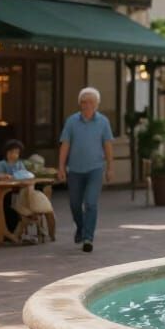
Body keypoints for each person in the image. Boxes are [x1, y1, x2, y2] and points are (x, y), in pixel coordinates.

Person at [58, 88, 114, 252]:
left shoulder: (103, 122)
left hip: (95, 169)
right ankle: (81, 228)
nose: (86, 105)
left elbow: (108, 146)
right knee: (75, 204)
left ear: (96, 104)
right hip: (74, 169)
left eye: (90, 102)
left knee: (90, 203)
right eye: (83, 102)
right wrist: (61, 167)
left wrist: (110, 167)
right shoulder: (72, 121)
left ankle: (88, 238)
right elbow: (65, 145)